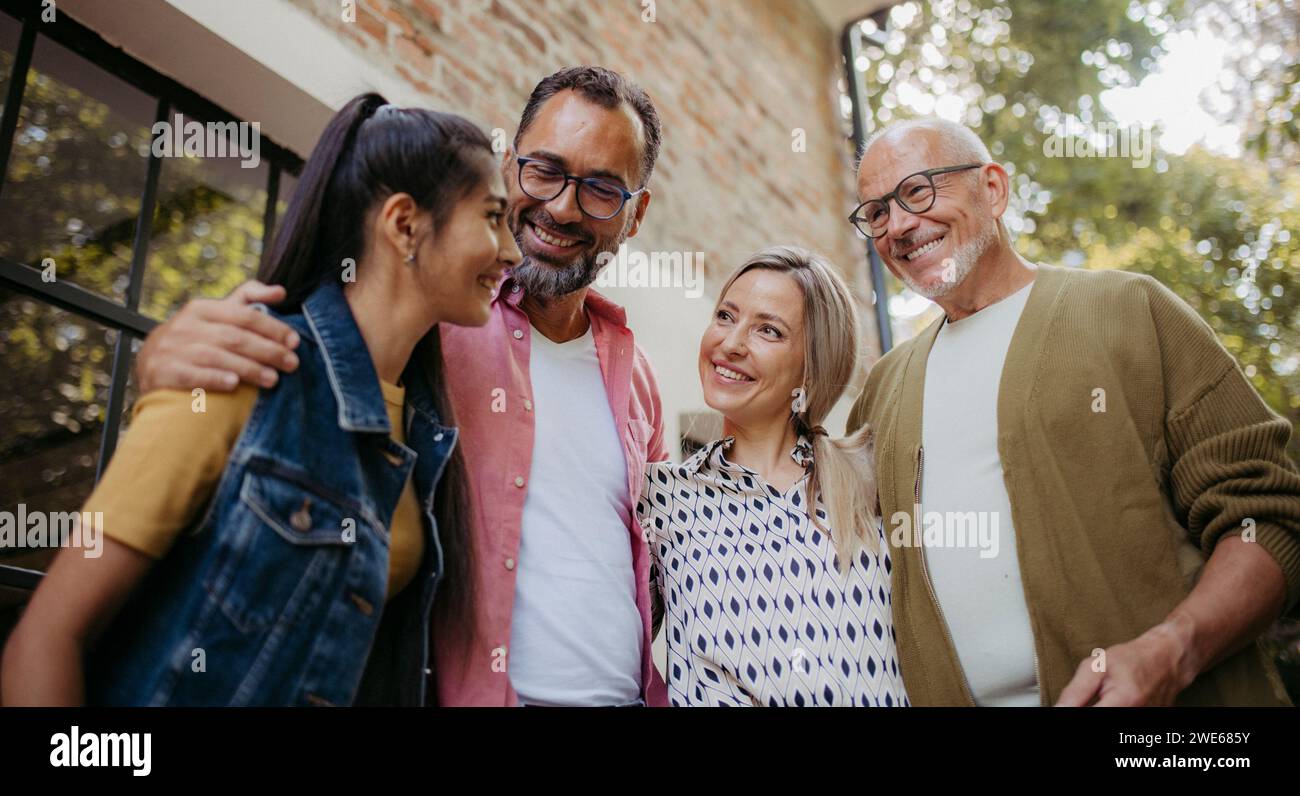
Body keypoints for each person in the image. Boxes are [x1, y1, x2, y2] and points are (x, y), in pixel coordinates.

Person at [113, 66, 670, 706]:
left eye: (602, 189)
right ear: (511, 165)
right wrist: (159, 360)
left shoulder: (639, 377)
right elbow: (306, 360)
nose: (564, 207)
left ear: (637, 213)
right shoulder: (444, 312)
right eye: (544, 170)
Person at [1, 94, 520, 705]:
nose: (511, 251)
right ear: (404, 225)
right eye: (491, 217)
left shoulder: (424, 432)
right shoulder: (241, 369)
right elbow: (44, 640)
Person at [846, 116, 1300, 706]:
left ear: (992, 189)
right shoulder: (883, 389)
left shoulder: (1129, 309)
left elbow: (1268, 520)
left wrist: (1173, 650)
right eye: (877, 213)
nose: (899, 225)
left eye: (917, 191)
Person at [640, 246, 907, 706]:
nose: (731, 343)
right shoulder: (661, 498)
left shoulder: (873, 480)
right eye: (725, 316)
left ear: (812, 365)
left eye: (769, 330)